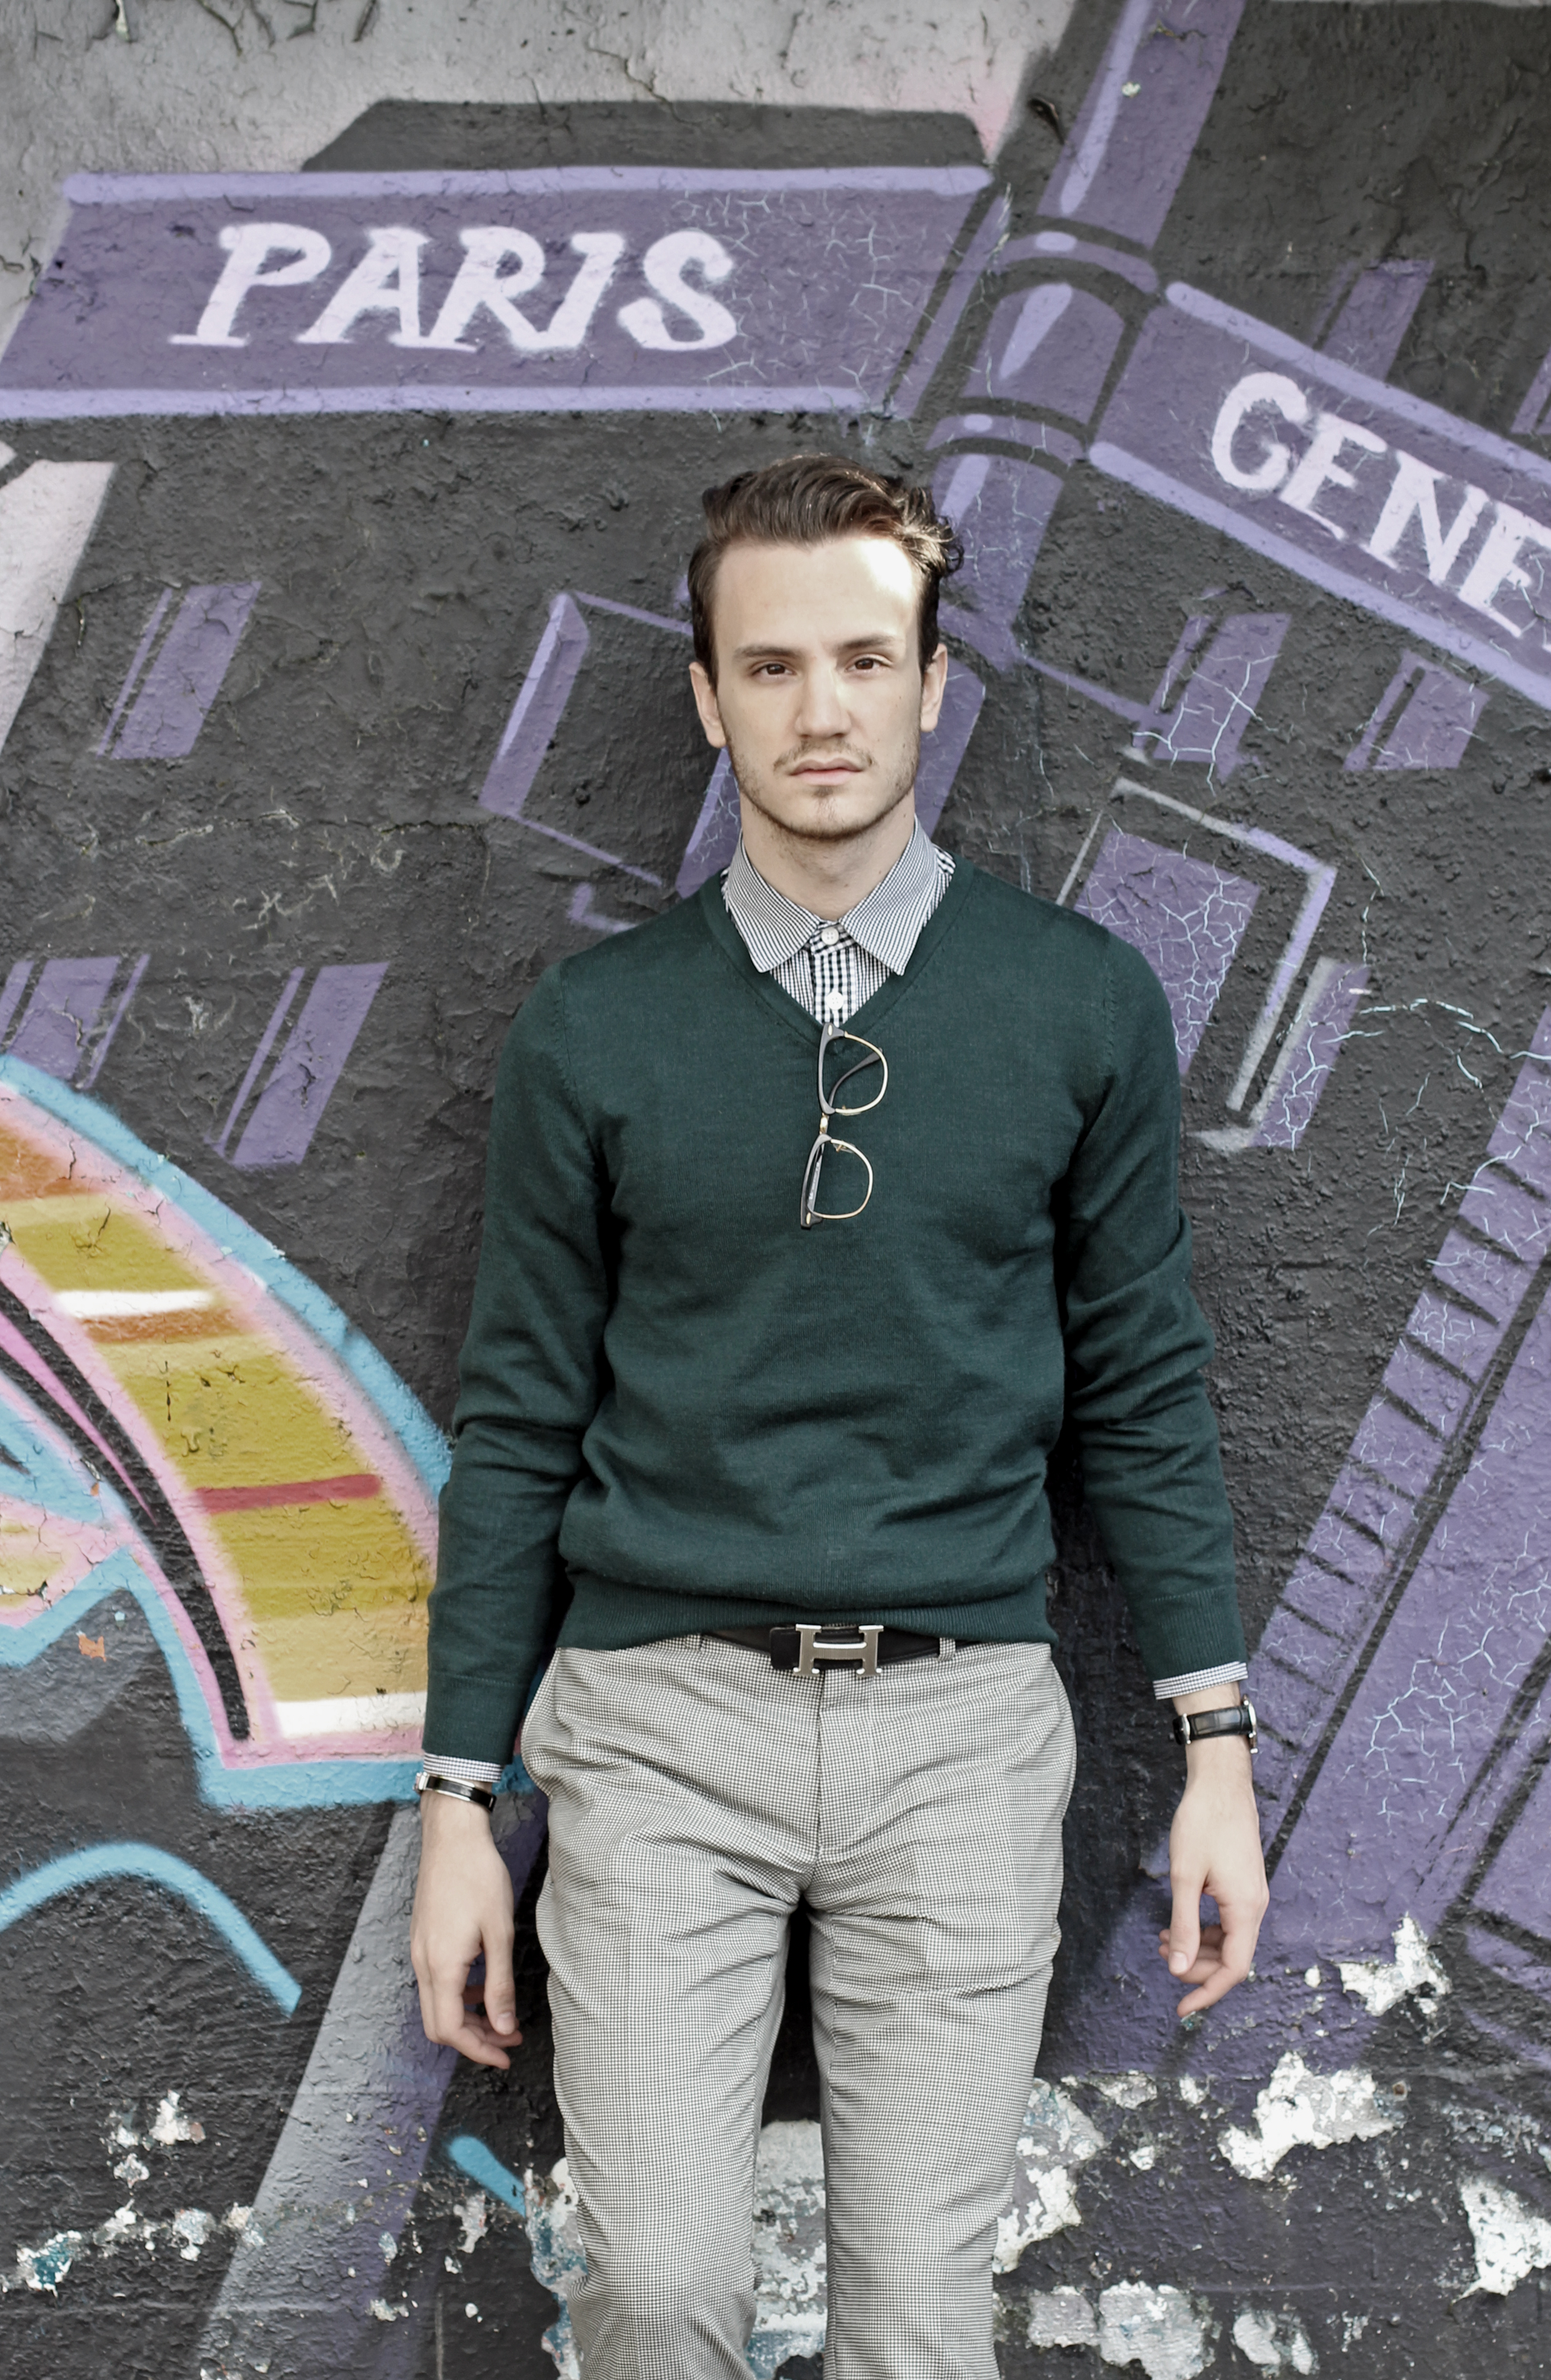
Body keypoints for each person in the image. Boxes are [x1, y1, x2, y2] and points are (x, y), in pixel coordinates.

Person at [409, 453, 1267, 2380]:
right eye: (771, 664)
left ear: (930, 684)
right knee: (653, 2289)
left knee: (916, 2324)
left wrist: (1211, 1745)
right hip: (658, 1725)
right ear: (707, 695)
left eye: (864, 660)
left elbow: (1143, 1384)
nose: (821, 709)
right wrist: (458, 1796)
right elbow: (520, 1414)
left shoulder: (1076, 1003)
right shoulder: (595, 1026)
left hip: (959, 1728)